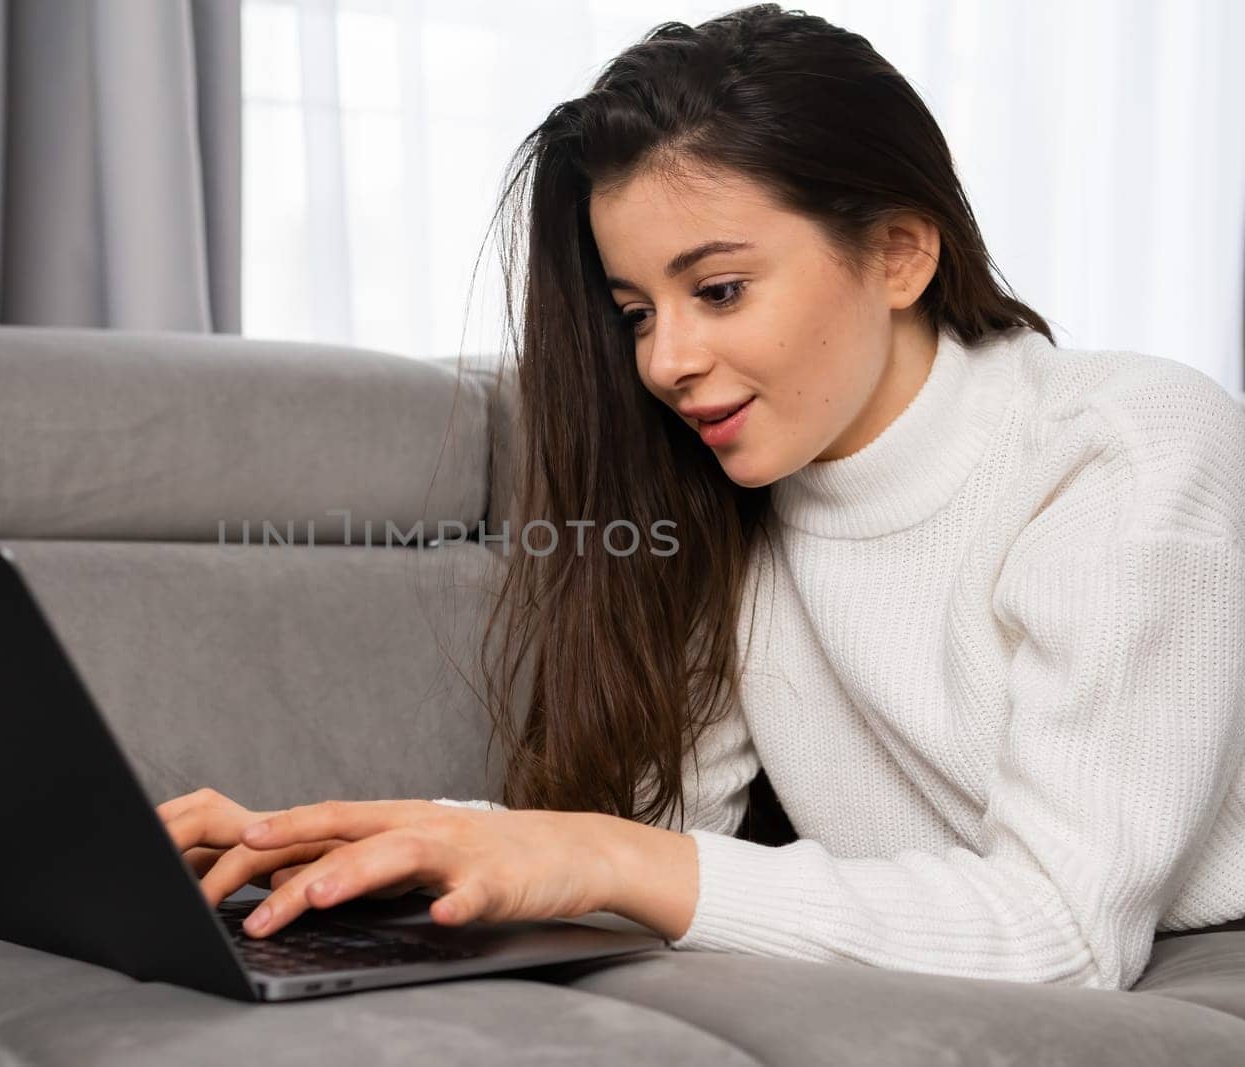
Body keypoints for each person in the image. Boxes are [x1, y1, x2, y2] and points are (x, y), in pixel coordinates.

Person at [156, 4, 1245, 992]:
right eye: (636, 311)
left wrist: (603, 853)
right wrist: (345, 842)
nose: (665, 362)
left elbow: (1059, 930)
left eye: (718, 289)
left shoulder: (1127, 454)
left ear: (902, 252)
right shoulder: (745, 478)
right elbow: (648, 843)